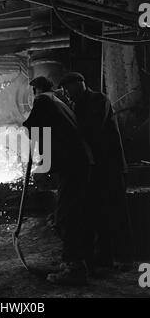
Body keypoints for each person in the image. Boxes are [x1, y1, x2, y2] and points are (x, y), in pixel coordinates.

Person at [23, 76, 94, 285]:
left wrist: (26, 127)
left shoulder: (43, 100)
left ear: (35, 89)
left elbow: (33, 127)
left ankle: (74, 269)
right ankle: (75, 261)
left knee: (66, 215)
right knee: (73, 212)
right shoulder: (58, 99)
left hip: (71, 163)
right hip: (79, 161)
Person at [59, 72, 133, 270]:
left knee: (114, 213)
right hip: (97, 169)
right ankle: (104, 257)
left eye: (67, 88)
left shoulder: (98, 100)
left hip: (110, 167)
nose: (65, 93)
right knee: (98, 213)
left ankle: (122, 258)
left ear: (78, 85)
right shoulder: (78, 104)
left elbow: (92, 129)